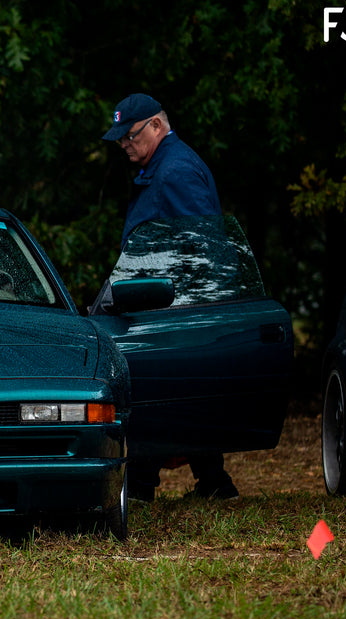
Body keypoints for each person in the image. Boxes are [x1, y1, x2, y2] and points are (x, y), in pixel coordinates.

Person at [102, 92, 238, 502]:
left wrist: (188, 305)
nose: (125, 144)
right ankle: (214, 483)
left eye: (131, 135)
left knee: (145, 387)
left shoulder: (174, 170)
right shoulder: (161, 165)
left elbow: (203, 245)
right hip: (154, 300)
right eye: (121, 138)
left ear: (157, 126)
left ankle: (142, 488)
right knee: (168, 389)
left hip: (166, 305)